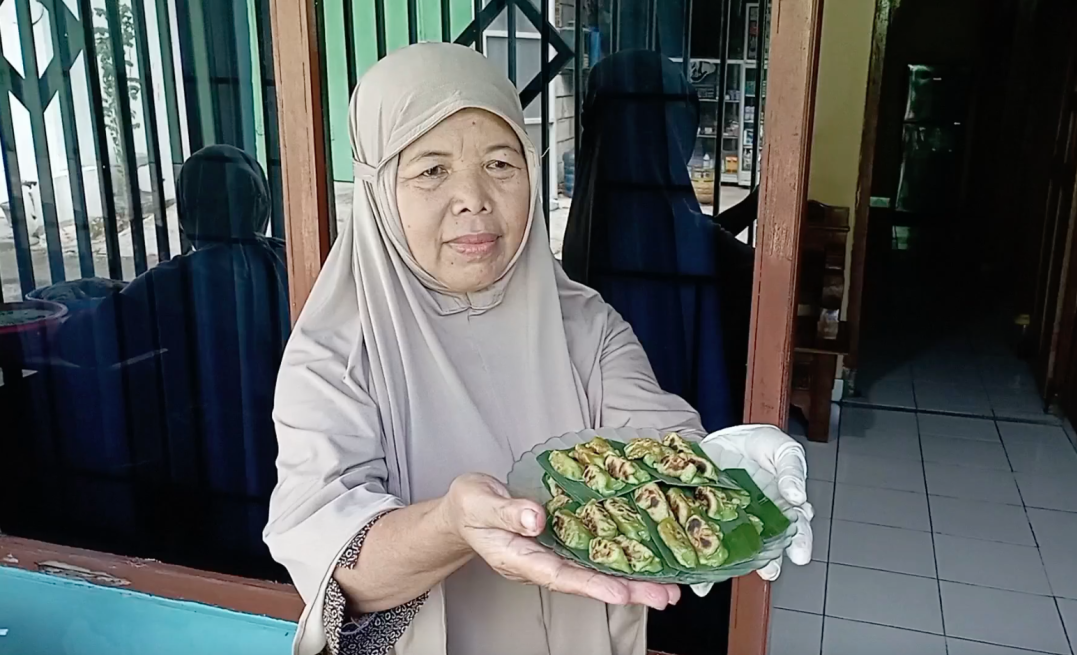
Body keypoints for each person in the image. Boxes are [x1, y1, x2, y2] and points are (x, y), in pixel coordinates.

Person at [263, 43, 811, 655]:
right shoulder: (334, 359)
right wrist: (452, 527)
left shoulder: (586, 324)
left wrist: (720, 465)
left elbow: (653, 440)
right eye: (431, 170)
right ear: (377, 188)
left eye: (501, 164)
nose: (474, 197)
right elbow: (335, 560)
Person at [46, 144, 290, 575]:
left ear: (188, 213)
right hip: (288, 446)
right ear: (261, 205)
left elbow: (84, 340)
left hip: (222, 462)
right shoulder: (288, 257)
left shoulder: (178, 280)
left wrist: (80, 303)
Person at [561, 50, 758, 432]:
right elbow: (706, 250)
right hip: (659, 394)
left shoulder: (595, 204)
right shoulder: (655, 204)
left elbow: (694, 238)